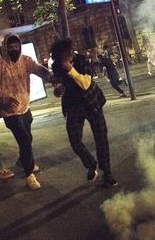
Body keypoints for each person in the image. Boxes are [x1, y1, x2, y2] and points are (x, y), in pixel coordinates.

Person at [0, 33, 57, 190]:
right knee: (25, 140)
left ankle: (24, 160)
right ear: (5, 48)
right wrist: (5, 98)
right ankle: (29, 174)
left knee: (28, 138)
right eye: (10, 47)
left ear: (20, 45)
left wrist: (50, 76)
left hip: (25, 108)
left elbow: (38, 69)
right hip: (10, 112)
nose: (14, 49)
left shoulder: (26, 60)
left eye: (16, 46)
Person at [50, 38, 118, 187]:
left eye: (63, 57)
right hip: (73, 105)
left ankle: (107, 173)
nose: (62, 60)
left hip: (91, 101)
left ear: (69, 53)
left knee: (101, 137)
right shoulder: (56, 66)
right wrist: (59, 90)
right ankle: (90, 163)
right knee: (74, 140)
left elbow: (86, 84)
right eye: (59, 58)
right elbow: (59, 85)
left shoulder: (81, 60)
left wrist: (70, 69)